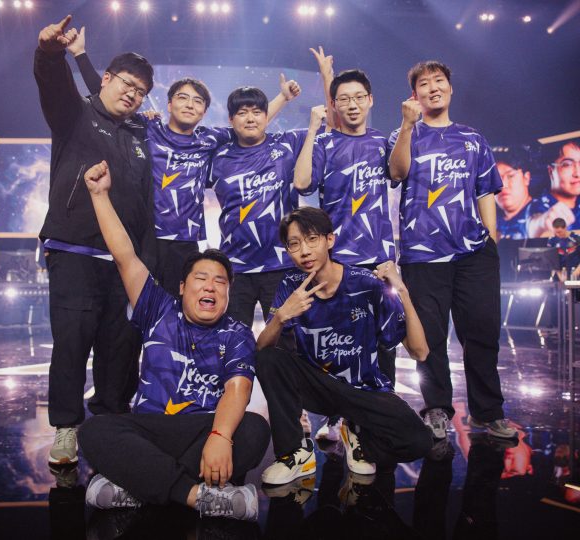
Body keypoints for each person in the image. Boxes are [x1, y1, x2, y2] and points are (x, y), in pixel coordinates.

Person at [78, 161, 270, 521]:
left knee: (254, 430)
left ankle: (137, 486)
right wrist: (100, 195)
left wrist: (220, 436)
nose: (210, 286)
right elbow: (125, 257)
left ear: (228, 293)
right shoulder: (157, 309)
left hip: (203, 428)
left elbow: (238, 389)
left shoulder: (236, 332)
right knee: (94, 430)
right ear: (182, 287)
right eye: (201, 278)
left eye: (220, 281)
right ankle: (196, 495)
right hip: (152, 428)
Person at [67, 28, 301, 296]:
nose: (190, 105)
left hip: (187, 242)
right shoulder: (148, 127)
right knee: (142, 309)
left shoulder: (210, 139)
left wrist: (283, 98)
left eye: (198, 101)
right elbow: (109, 98)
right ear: (169, 105)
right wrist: (80, 54)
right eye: (183, 98)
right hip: (146, 238)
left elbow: (251, 123)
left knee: (182, 309)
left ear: (204, 111)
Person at [34, 15, 156, 464]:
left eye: (141, 90)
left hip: (125, 264)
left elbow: (144, 204)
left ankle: (111, 423)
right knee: (72, 342)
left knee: (119, 347)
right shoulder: (76, 114)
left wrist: (145, 263)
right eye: (127, 83)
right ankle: (66, 427)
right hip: (75, 252)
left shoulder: (140, 135)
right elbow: (54, 86)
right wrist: (49, 54)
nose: (132, 94)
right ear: (106, 78)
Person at [388, 60, 517, 441]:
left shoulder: (472, 138)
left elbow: (485, 190)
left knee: (481, 333)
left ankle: (487, 412)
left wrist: (490, 238)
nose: (433, 88)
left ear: (450, 88)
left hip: (473, 254)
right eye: (424, 84)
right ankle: (437, 409)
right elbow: (396, 172)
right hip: (423, 254)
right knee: (429, 338)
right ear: (415, 95)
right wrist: (407, 126)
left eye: (439, 81)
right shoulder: (405, 133)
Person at [255, 206, 433, 484]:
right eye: (294, 244)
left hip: (363, 391)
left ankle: (359, 439)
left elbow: (420, 352)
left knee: (419, 441)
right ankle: (295, 453)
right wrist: (281, 317)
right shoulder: (291, 284)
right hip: (320, 386)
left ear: (330, 240)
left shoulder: (366, 284)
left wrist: (402, 291)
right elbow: (262, 349)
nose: (304, 251)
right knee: (269, 359)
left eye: (312, 239)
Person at [294, 66, 397, 386]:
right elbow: (302, 183)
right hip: (337, 259)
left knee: (384, 339)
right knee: (339, 341)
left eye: (358, 97)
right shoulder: (324, 143)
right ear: (334, 104)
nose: (352, 105)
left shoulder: (382, 142)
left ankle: (384, 403)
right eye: (344, 99)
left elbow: (399, 174)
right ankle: (338, 407)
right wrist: (312, 130)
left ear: (370, 100)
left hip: (378, 258)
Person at [208, 87, 306, 328]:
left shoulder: (288, 145)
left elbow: (333, 127)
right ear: (231, 119)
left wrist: (325, 77)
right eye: (242, 113)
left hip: (282, 265)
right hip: (235, 267)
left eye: (257, 112)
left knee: (285, 341)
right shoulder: (217, 157)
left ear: (266, 115)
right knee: (232, 340)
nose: (250, 118)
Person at [527, 139, 580, 238]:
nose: (578, 173)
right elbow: (533, 225)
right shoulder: (536, 207)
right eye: (567, 165)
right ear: (551, 171)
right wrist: (540, 224)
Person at [495, 148, 533, 240]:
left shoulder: (544, 214)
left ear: (526, 178)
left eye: (510, 176)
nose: (503, 185)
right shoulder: (489, 224)